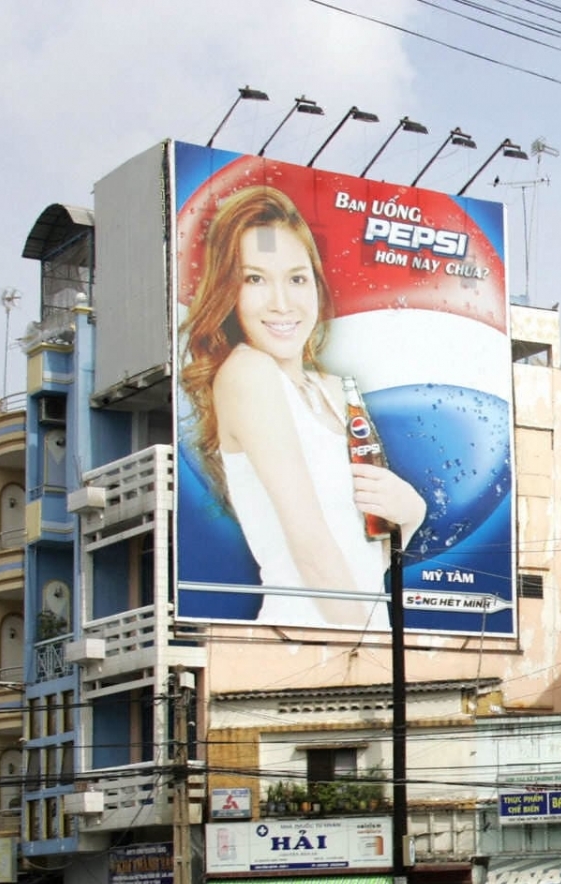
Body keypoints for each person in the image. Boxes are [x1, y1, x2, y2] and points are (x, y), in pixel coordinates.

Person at [179, 183, 425, 629]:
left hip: (362, 635)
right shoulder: (248, 372)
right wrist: (367, 654)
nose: (281, 303)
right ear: (228, 292)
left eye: (296, 278)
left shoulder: (335, 390)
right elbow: (309, 546)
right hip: (310, 640)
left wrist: (412, 512)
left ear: (315, 282)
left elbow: (370, 556)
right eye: (254, 279)